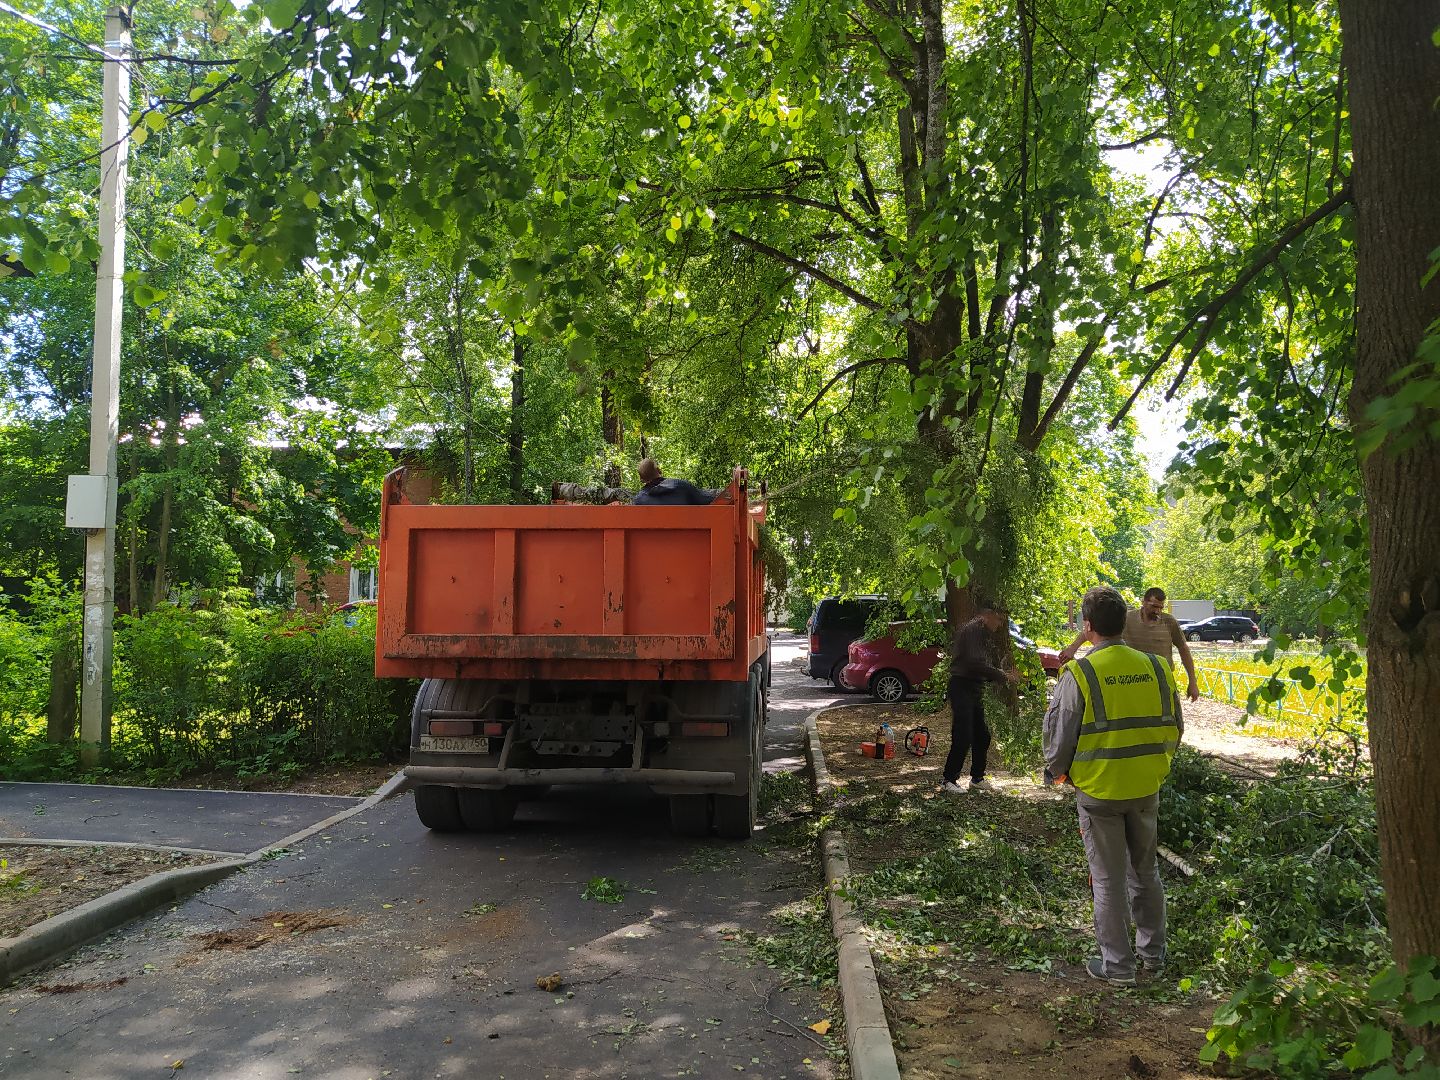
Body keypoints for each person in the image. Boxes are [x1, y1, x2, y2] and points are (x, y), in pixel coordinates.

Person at [1044, 585, 1183, 986]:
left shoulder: (1081, 673)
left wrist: (1058, 773)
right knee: (1146, 872)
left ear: (1088, 628)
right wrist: (1158, 767)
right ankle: (1153, 957)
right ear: (1125, 622)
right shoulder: (1157, 667)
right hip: (1146, 788)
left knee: (1107, 879)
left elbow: (1060, 738)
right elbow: (1176, 726)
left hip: (1099, 792)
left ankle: (1118, 968)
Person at [1059, 587, 1200, 703]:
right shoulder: (1126, 618)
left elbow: (1183, 649)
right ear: (1143, 602)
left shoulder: (1169, 622)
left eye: (1160, 607)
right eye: (1153, 606)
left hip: (1162, 682)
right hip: (1134, 682)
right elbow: (1093, 630)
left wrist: (1192, 681)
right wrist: (1072, 648)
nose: (1157, 611)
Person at [942, 606, 1020, 795]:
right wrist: (1003, 676)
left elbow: (980, 664)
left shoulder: (980, 632)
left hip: (972, 687)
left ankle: (977, 778)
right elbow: (974, 663)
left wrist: (999, 674)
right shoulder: (974, 630)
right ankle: (949, 779)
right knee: (963, 734)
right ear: (988, 615)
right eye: (999, 619)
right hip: (962, 686)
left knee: (982, 735)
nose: (1000, 624)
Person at [631, 458, 716, 505]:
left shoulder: (639, 500)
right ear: (659, 470)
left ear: (642, 479)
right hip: (687, 536)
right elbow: (708, 500)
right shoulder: (681, 486)